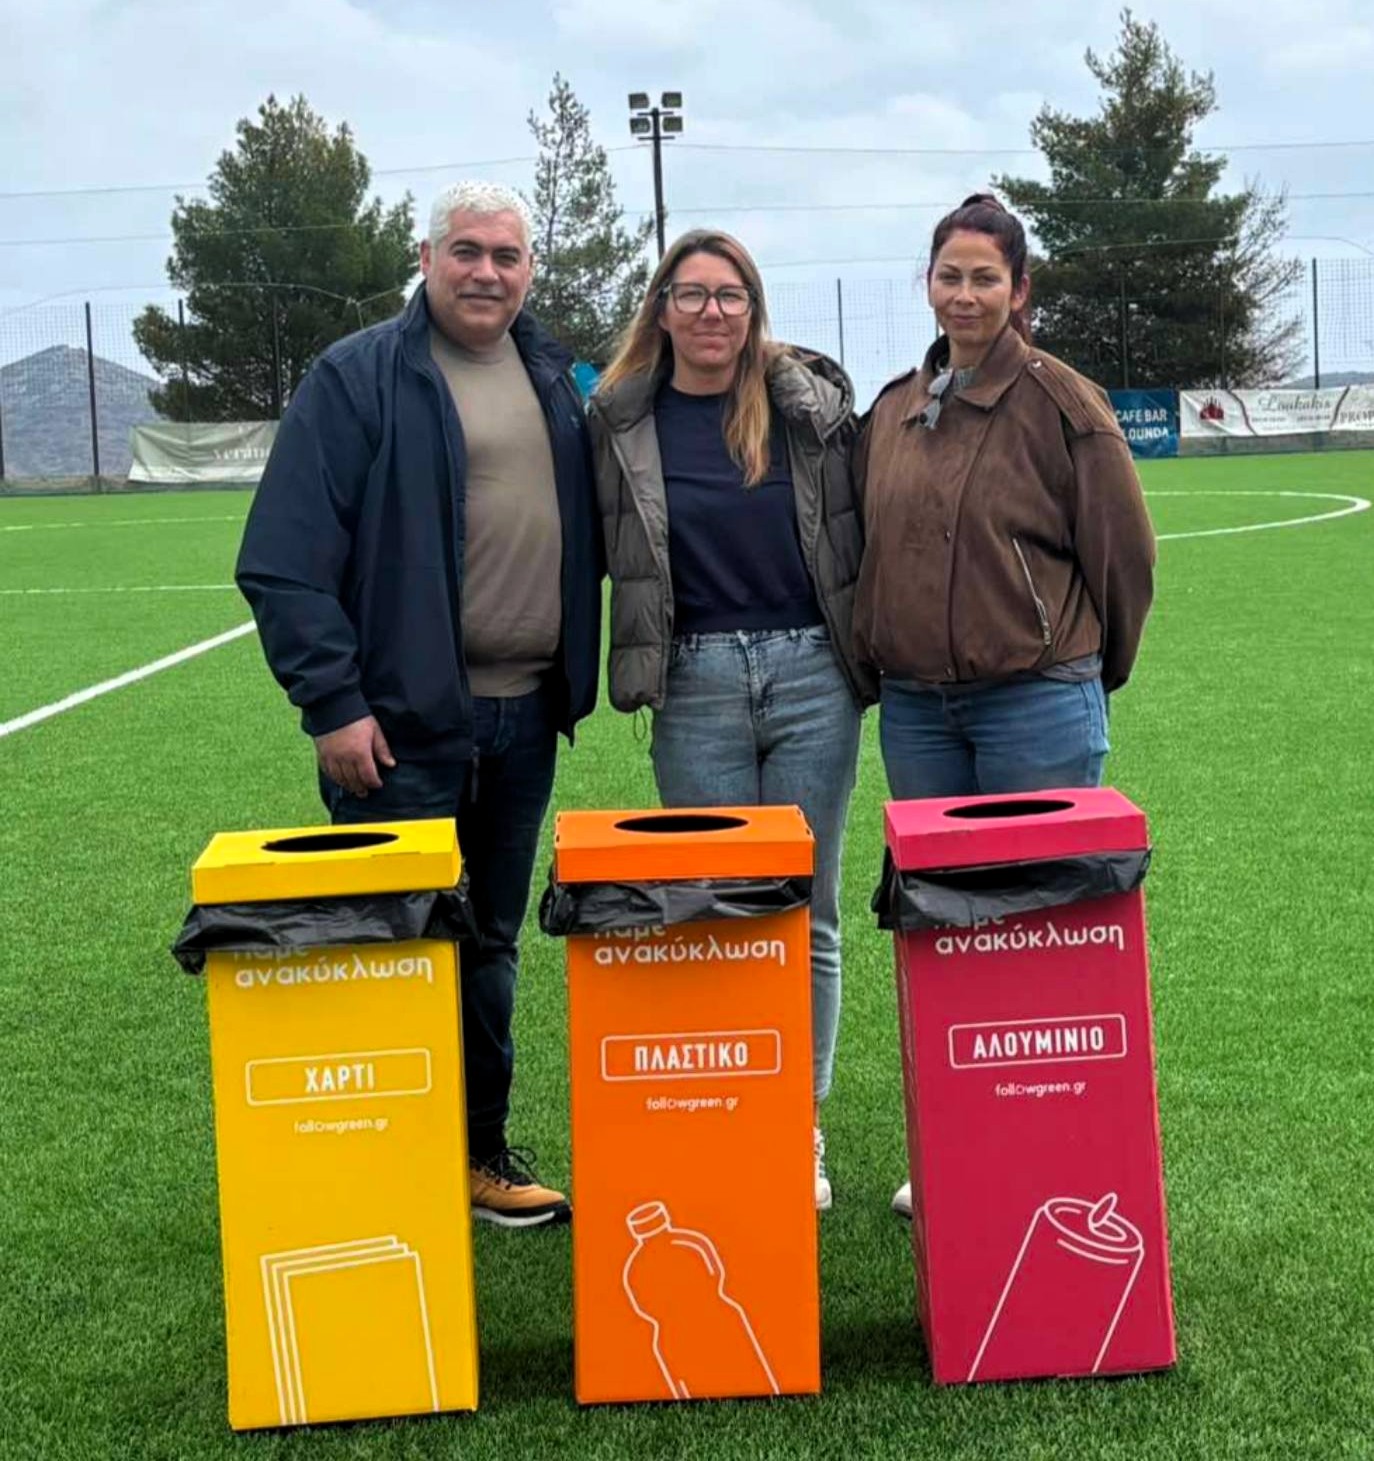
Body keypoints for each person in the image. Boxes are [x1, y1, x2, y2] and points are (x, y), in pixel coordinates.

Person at [236, 180, 602, 1229]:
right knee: (392, 946)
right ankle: (384, 1164)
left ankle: (478, 1155)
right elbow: (283, 562)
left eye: (507, 255)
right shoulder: (357, 377)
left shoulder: (552, 377)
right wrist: (333, 704)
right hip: (397, 729)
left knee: (488, 945)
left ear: (530, 270)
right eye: (466, 251)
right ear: (427, 257)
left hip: (524, 718)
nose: (487, 272)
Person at [852, 193, 1155, 1218]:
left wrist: (1083, 672)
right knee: (942, 936)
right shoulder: (895, 407)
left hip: (1037, 702)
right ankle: (952, 1148)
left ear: (1020, 290)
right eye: (950, 275)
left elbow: (1125, 561)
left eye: (986, 277)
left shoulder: (1065, 405)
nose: (966, 294)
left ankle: (1044, 1150)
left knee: (1041, 933)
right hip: (917, 710)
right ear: (927, 284)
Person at [589, 230, 876, 1211]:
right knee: (714, 913)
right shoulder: (618, 419)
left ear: (754, 309)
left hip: (812, 674)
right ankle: (734, 1112)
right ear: (661, 308)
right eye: (693, 294)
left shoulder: (806, 409)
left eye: (731, 295)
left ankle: (798, 1125)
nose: (712, 312)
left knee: (807, 910)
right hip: (694, 683)